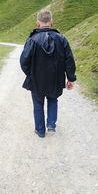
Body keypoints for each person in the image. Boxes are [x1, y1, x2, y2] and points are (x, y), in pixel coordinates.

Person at [20, 9, 76, 138]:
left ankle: (40, 131)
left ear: (37, 23)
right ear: (51, 22)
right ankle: (51, 125)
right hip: (56, 78)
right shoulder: (62, 39)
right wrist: (70, 78)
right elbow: (69, 60)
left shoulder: (32, 39)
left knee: (38, 103)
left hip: (36, 79)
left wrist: (31, 73)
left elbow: (24, 61)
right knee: (53, 99)